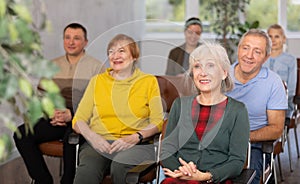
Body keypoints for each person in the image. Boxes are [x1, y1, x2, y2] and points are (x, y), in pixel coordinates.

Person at [13, 23, 104, 184]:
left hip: (82, 120)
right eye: (67, 38)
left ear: (86, 42)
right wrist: (51, 112)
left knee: (72, 139)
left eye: (76, 38)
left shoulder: (97, 67)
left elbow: (102, 104)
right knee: (22, 135)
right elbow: (40, 97)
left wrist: (73, 115)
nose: (71, 42)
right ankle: (43, 180)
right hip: (56, 116)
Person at [72, 34, 164, 184]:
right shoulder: (97, 81)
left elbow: (158, 121)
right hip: (99, 143)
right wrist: (92, 137)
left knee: (120, 166)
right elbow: (78, 119)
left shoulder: (148, 82)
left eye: (121, 51)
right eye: (111, 52)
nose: (115, 56)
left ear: (134, 56)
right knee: (87, 171)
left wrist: (136, 137)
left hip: (137, 143)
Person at [160, 42, 250, 183]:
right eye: (197, 66)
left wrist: (206, 176)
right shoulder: (179, 105)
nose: (203, 73)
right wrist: (182, 170)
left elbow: (237, 161)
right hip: (180, 178)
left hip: (216, 180)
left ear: (224, 73)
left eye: (211, 66)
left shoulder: (238, 110)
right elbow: (166, 152)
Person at [226, 29, 288, 184]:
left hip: (252, 146)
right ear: (238, 49)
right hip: (216, 142)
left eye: (257, 51)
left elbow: (276, 128)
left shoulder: (274, 83)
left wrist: (242, 138)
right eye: (245, 48)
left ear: (266, 57)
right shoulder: (221, 75)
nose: (249, 55)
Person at [263, 24, 297, 125]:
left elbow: (291, 90)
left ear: (284, 39)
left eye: (277, 36)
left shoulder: (290, 60)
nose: (273, 40)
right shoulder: (260, 58)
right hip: (261, 103)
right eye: (270, 36)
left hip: (283, 104)